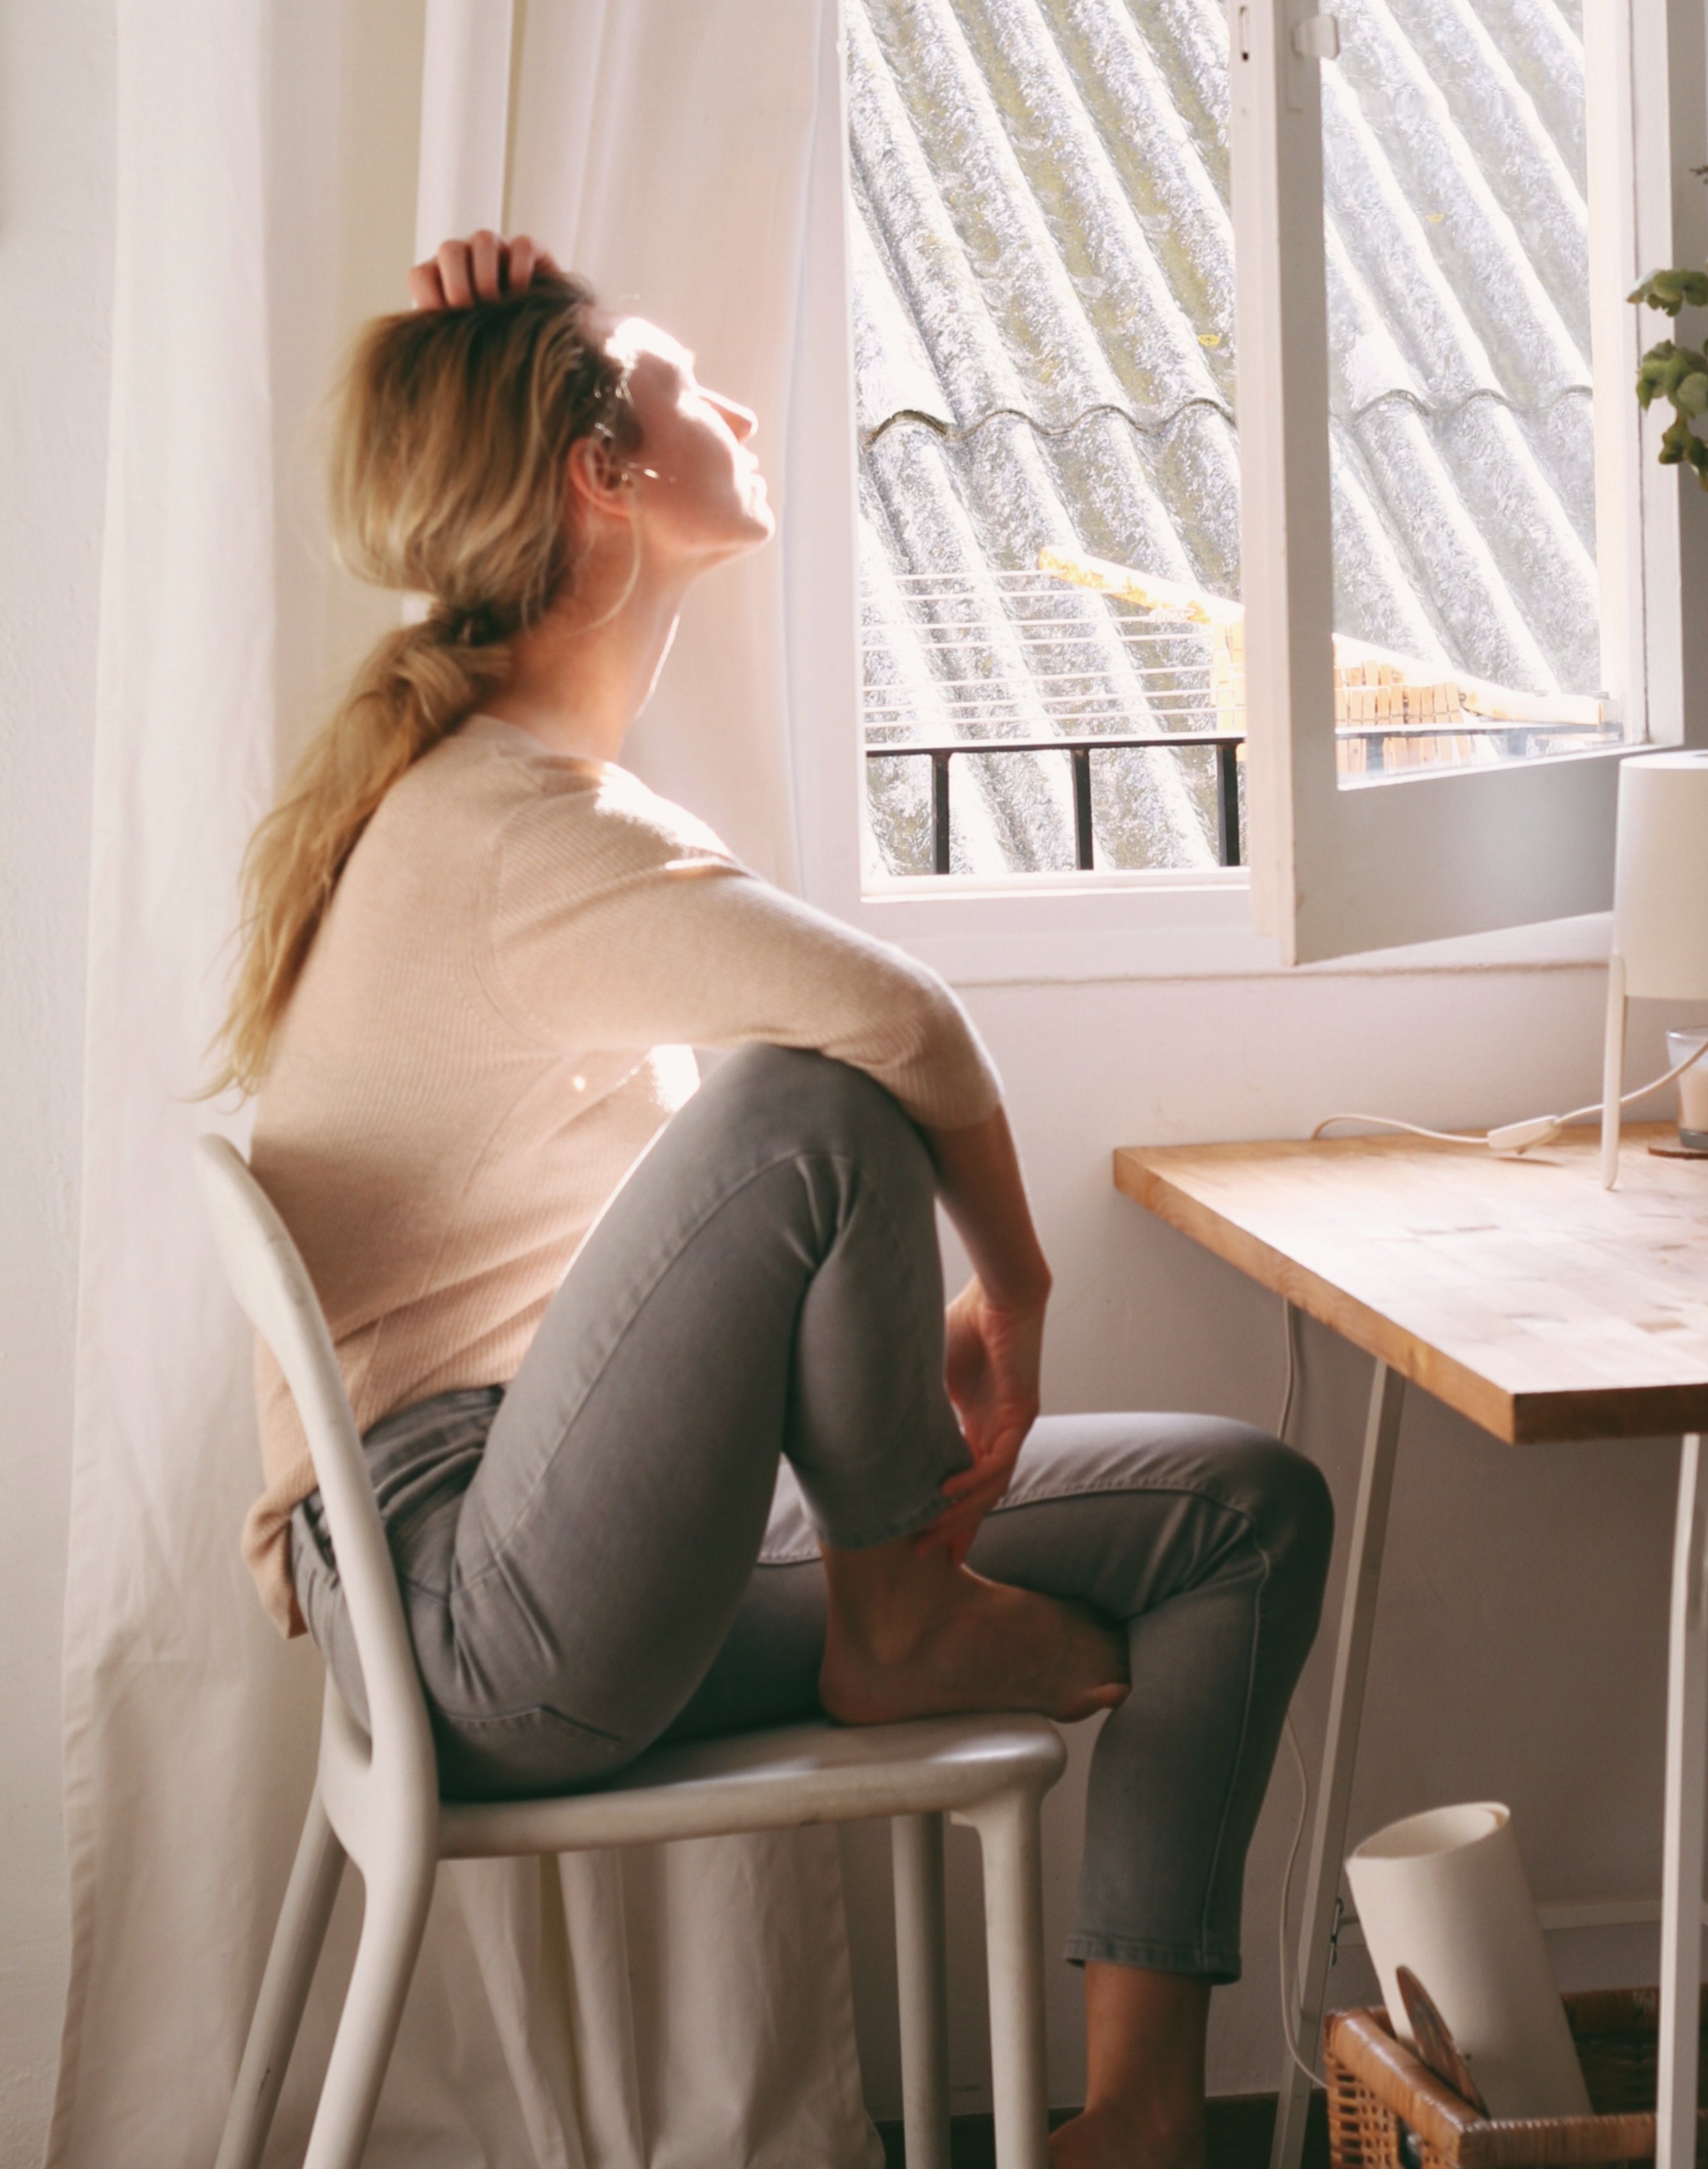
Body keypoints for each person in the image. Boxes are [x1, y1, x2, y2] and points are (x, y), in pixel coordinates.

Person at [215, 231, 1333, 2169]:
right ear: (602, 476)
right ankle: (896, 1605)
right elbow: (897, 1021)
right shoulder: (500, 821)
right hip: (473, 1605)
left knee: (1242, 1512)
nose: (733, 406)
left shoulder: (520, 794)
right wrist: (1025, 1295)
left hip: (543, 1552)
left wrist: (551, 302)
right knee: (812, 1097)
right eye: (674, 380)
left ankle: (1139, 2122)